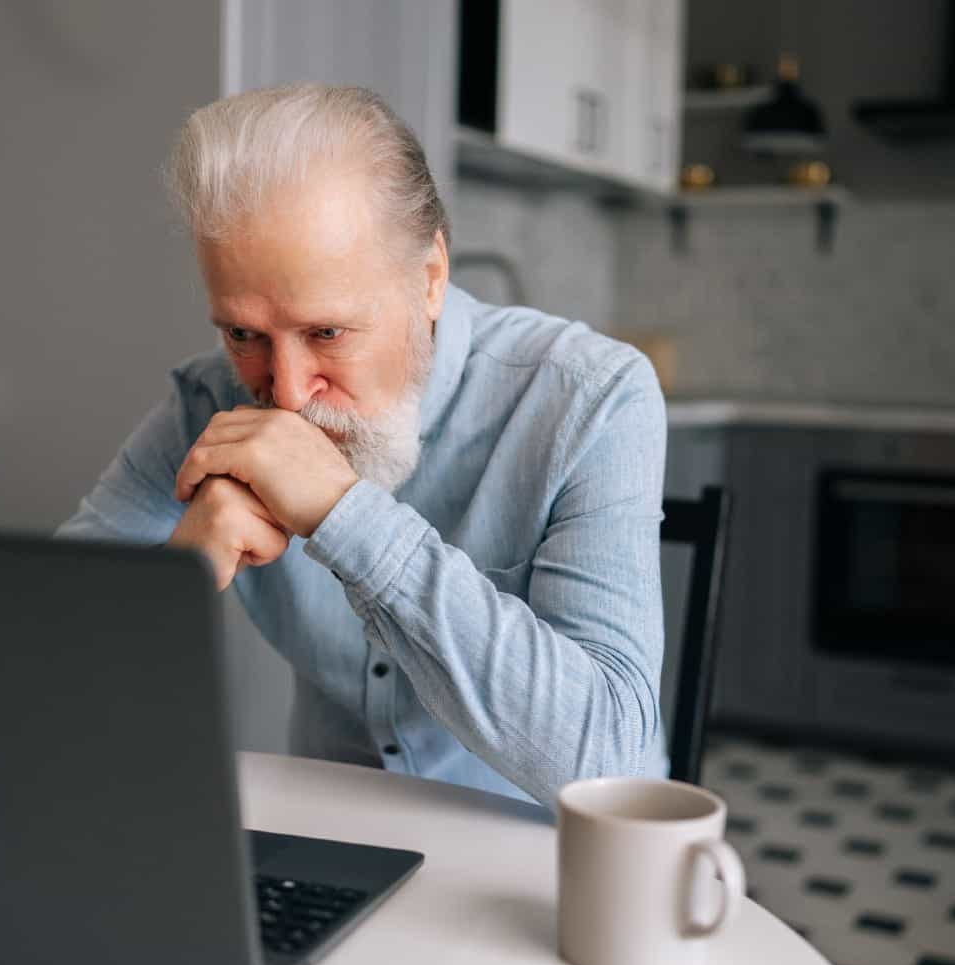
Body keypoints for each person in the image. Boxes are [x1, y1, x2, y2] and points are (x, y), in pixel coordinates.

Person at [59, 84, 667, 808]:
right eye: (243, 334)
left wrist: (343, 513)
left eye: (326, 333)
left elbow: (609, 754)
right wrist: (175, 578)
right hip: (333, 842)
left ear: (430, 278)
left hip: (550, 867)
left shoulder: (591, 397)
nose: (284, 393)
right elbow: (41, 674)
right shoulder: (208, 404)